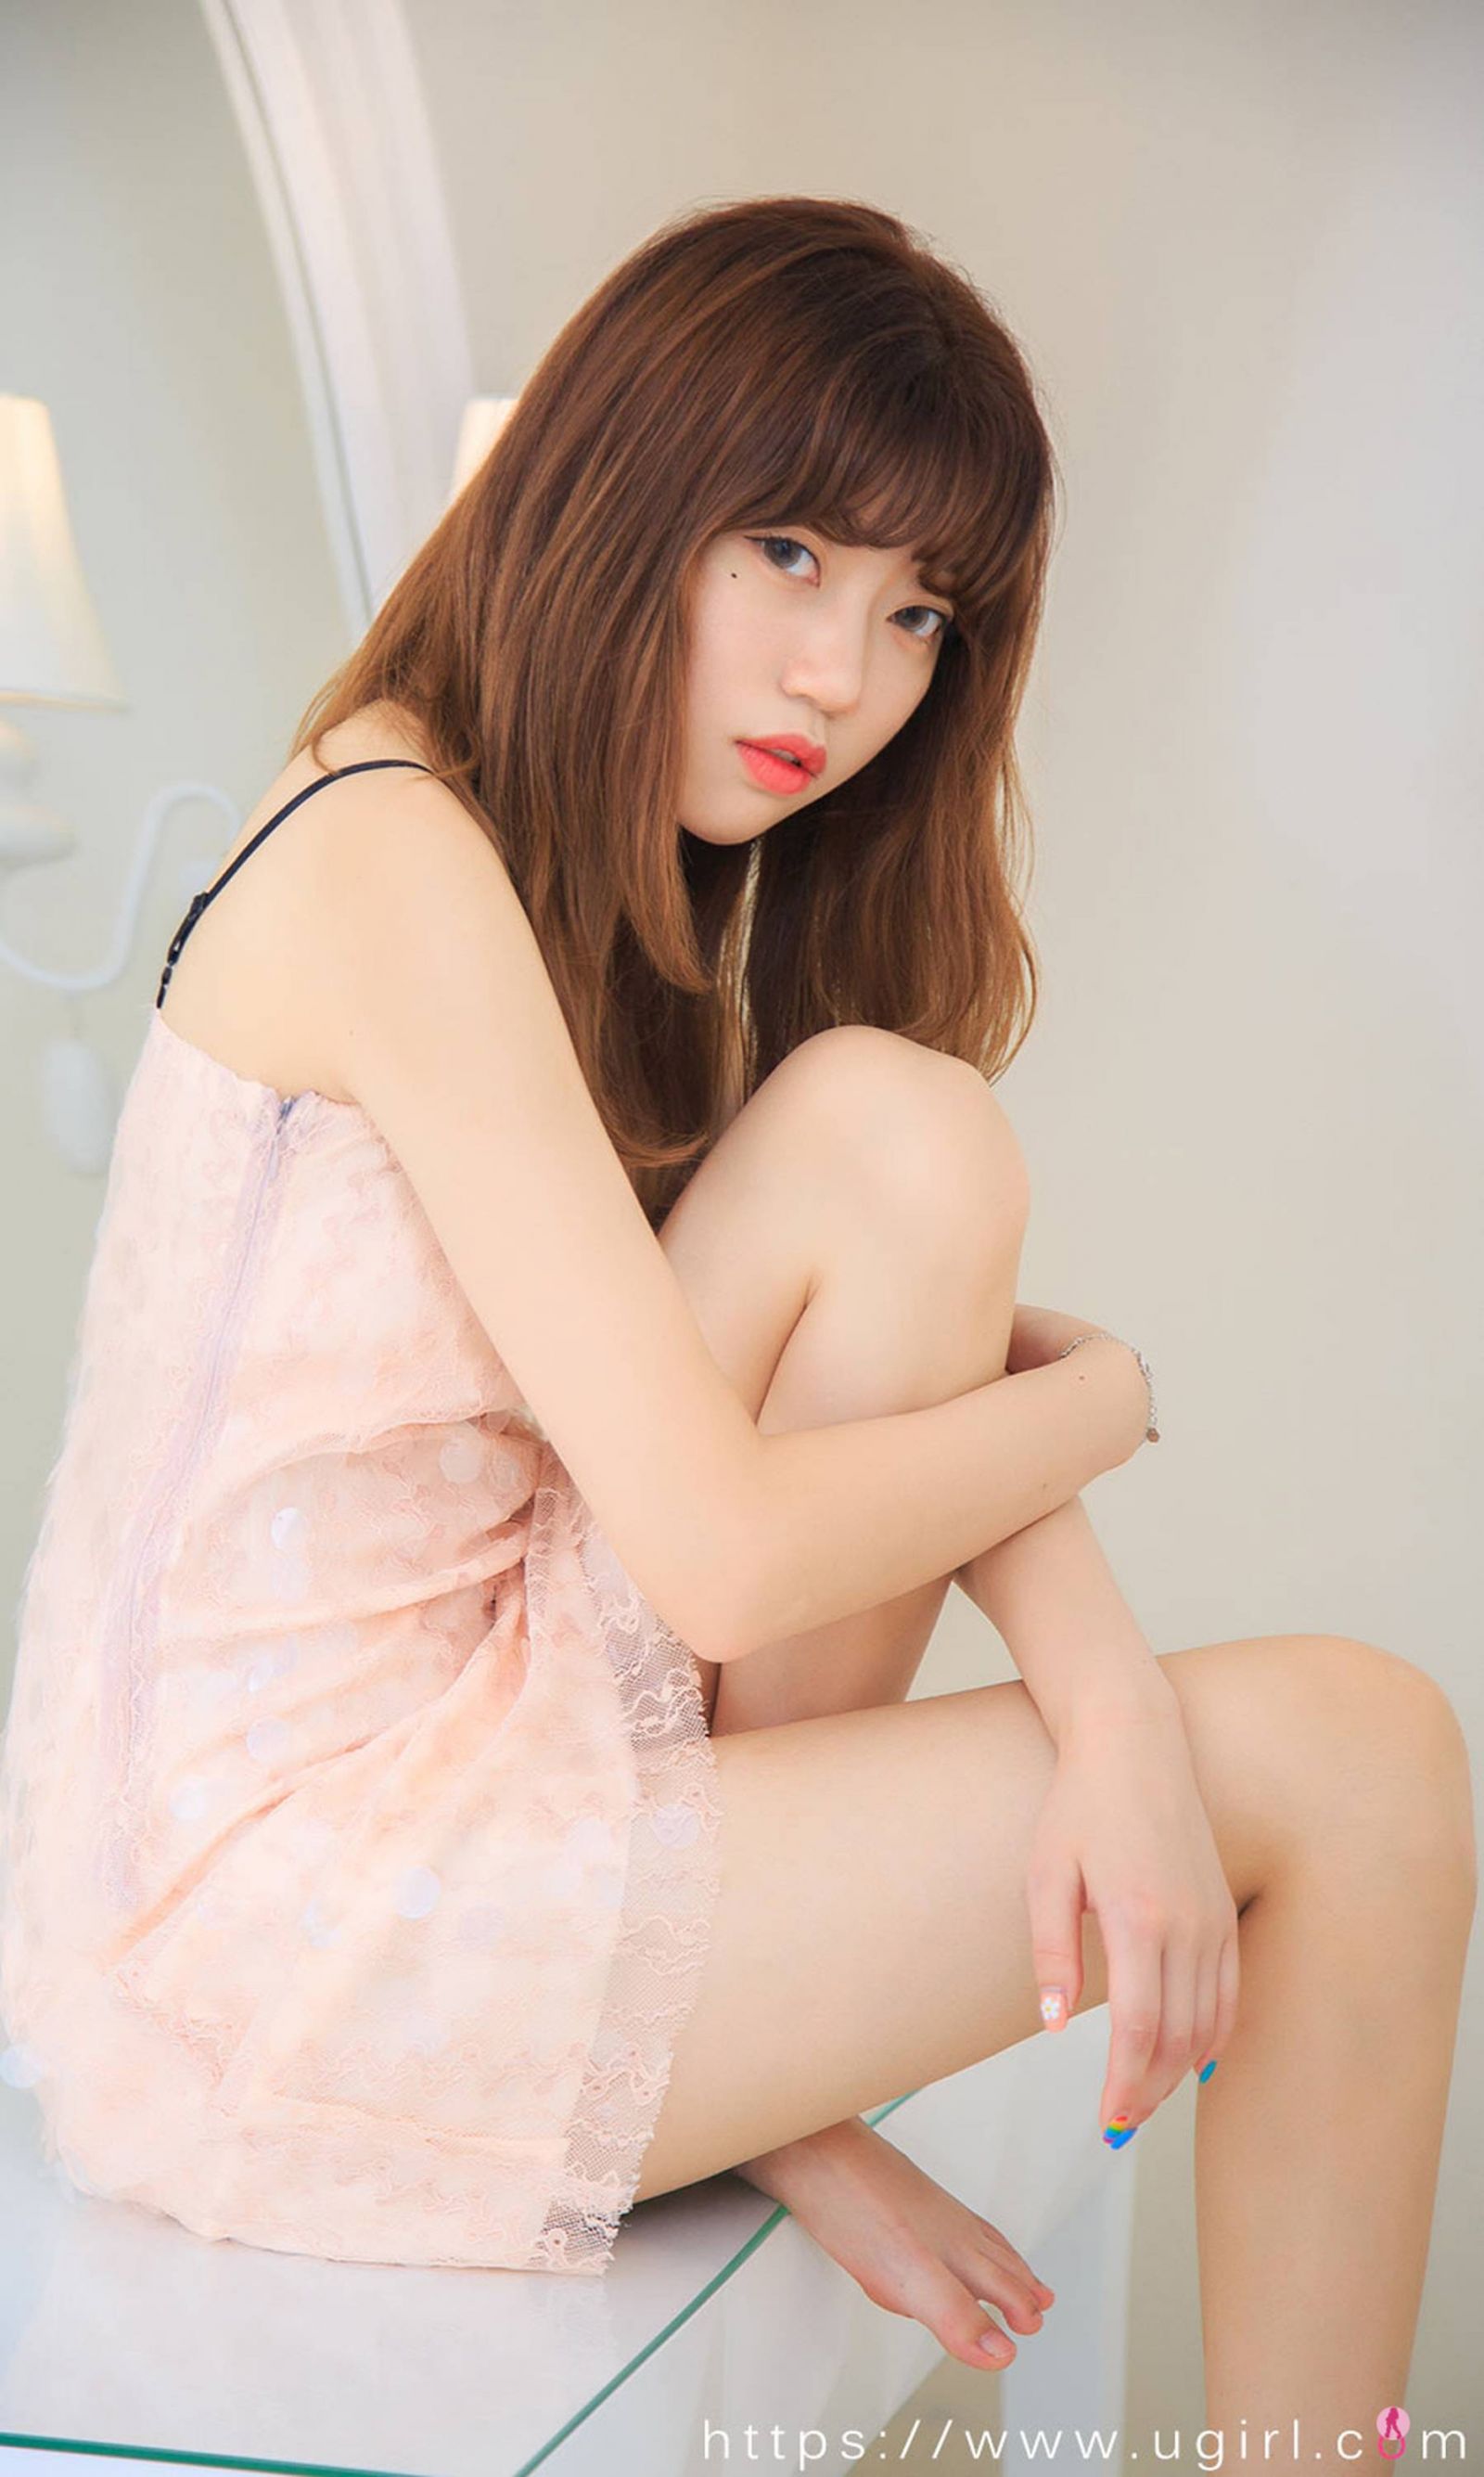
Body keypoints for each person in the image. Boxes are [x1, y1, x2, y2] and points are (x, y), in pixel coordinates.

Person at [0, 195, 1473, 2436]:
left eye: (915, 613)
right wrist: (1109, 1401)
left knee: (897, 1136)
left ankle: (758, 2082)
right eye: (787, 553)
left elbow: (760, 1476)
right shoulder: (389, 851)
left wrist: (1103, 1703)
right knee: (1359, 1762)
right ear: (621, 488)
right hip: (256, 1939)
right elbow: (725, 1555)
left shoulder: (577, 897)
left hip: (472, 1766)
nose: (842, 679)